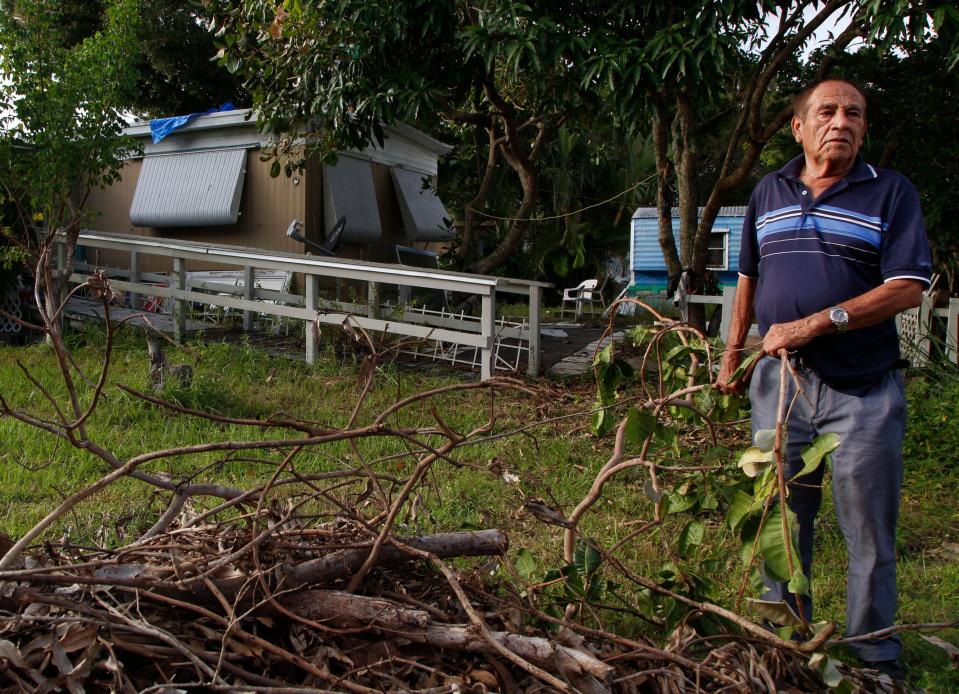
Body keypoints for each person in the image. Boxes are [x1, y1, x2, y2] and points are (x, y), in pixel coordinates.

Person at [717, 78, 932, 678]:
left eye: (854, 113)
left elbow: (908, 287)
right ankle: (784, 645)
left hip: (862, 390)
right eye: (828, 111)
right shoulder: (768, 190)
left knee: (867, 531)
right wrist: (734, 354)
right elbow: (749, 278)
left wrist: (816, 322)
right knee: (779, 519)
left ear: (864, 127)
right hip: (779, 384)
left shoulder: (890, 193)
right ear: (798, 126)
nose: (841, 122)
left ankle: (873, 659)